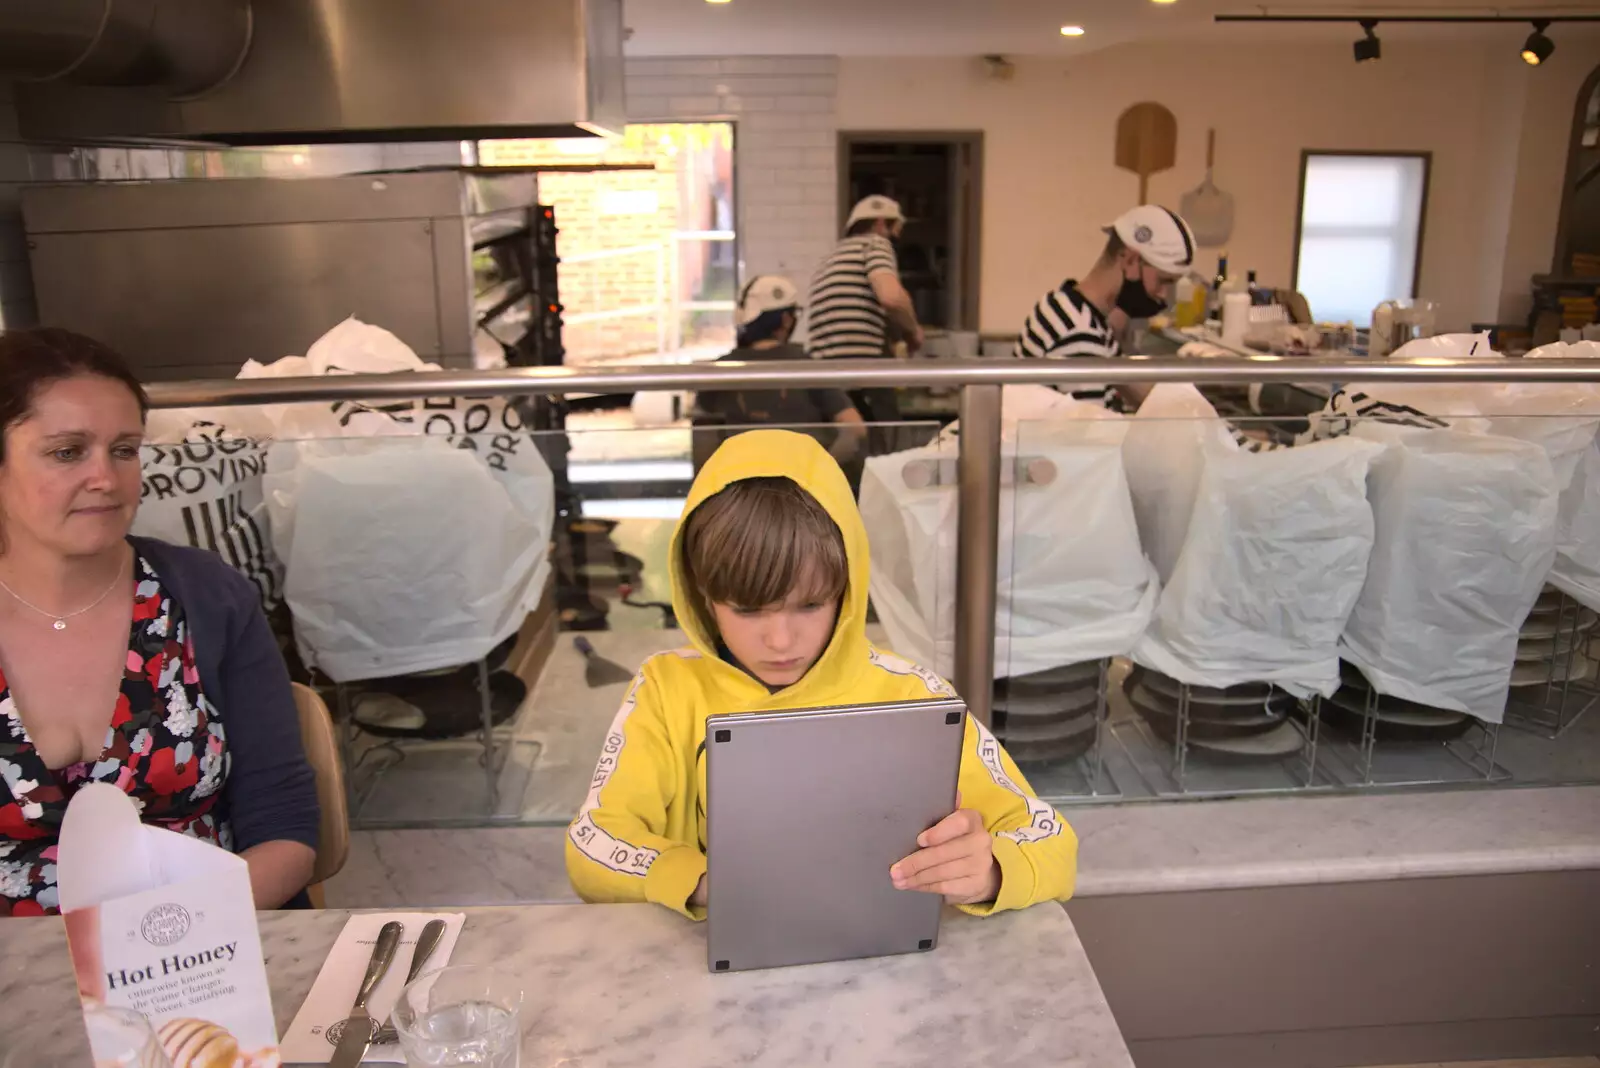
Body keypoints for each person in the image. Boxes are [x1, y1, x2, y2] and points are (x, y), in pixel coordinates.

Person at [565, 429, 1077, 918]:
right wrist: (704, 883)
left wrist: (988, 870)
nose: (781, 640)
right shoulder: (665, 689)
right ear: (703, 594)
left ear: (847, 586)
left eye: (810, 604)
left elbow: (1053, 843)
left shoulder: (913, 697)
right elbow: (592, 845)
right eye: (748, 609)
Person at [0, 327, 319, 915]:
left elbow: (285, 822)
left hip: (204, 961)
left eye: (124, 450)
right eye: (67, 451)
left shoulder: (207, 595)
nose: (107, 477)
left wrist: (166, 944)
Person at [1015, 205, 1198, 411]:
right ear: (1130, 260)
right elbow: (1088, 438)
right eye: (1163, 281)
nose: (1163, 294)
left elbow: (1132, 385)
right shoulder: (1080, 332)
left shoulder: (1067, 303)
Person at [695, 275, 867, 470]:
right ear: (786, 320)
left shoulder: (722, 369)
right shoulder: (803, 365)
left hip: (738, 485)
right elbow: (855, 428)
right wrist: (821, 470)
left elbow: (703, 433)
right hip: (798, 485)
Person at [807, 195, 925, 450]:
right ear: (881, 224)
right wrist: (914, 331)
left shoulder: (830, 257)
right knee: (890, 460)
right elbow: (891, 297)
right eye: (897, 230)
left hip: (827, 383)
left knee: (851, 466)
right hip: (862, 374)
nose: (897, 239)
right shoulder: (875, 244)